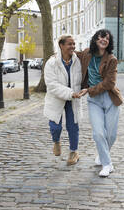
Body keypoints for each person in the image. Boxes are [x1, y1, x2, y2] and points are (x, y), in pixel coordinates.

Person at [77, 29, 123, 177]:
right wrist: (57, 55)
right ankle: (107, 164)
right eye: (101, 37)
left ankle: (102, 155)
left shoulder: (111, 59)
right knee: (98, 133)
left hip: (110, 98)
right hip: (94, 101)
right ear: (95, 39)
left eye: (107, 39)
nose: (104, 40)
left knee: (111, 135)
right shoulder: (86, 54)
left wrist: (89, 89)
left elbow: (109, 83)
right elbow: (72, 54)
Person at [43, 35, 86, 165]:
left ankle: (74, 152)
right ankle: (56, 141)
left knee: (73, 126)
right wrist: (70, 93)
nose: (73, 47)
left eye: (74, 44)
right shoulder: (51, 63)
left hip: (74, 99)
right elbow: (52, 85)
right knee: (55, 126)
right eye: (69, 44)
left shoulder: (77, 61)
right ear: (61, 45)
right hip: (56, 97)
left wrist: (85, 89)